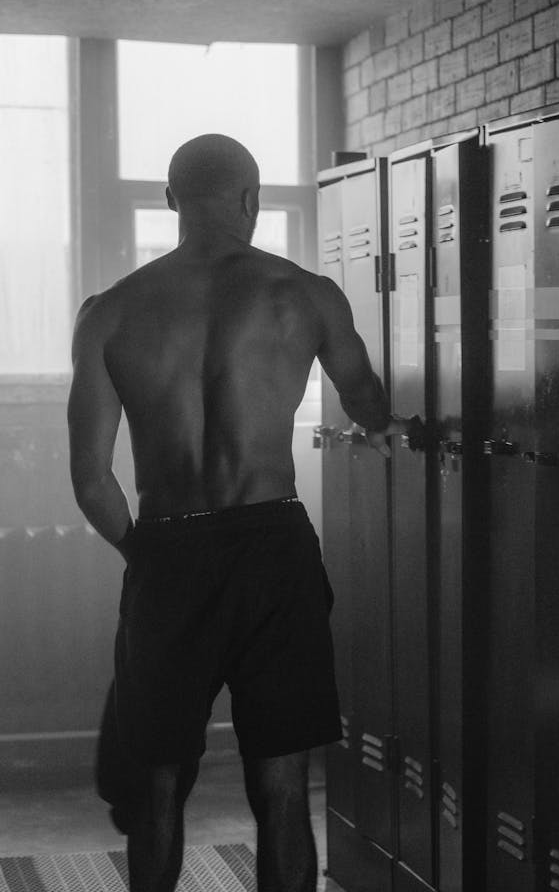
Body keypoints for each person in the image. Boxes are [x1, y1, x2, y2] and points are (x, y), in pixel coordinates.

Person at [67, 134, 402, 892]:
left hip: (167, 553)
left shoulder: (109, 313)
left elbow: (91, 481)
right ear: (253, 200)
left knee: (156, 791)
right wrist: (378, 424)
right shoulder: (307, 294)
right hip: (272, 551)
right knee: (283, 793)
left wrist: (149, 557)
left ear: (170, 202)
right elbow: (364, 395)